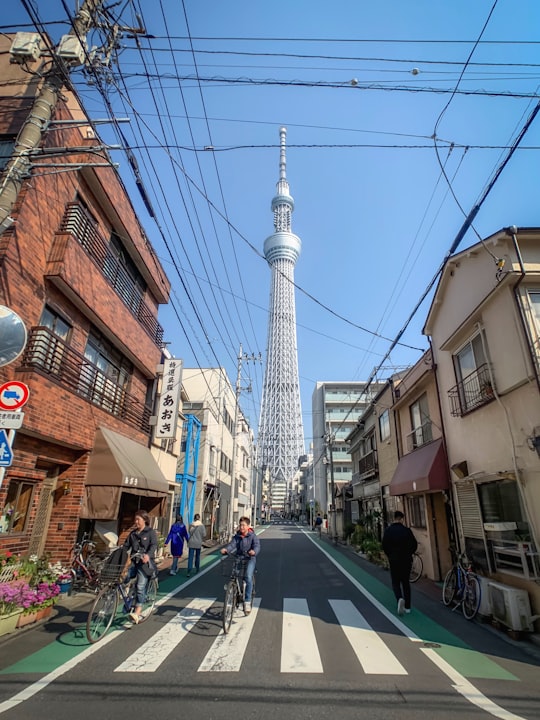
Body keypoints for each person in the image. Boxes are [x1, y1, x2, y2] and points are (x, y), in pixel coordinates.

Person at [123, 510, 158, 624]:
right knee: (125, 579)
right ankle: (129, 600)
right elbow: (126, 546)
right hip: (134, 562)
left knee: (140, 586)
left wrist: (148, 555)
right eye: (135, 519)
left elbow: (154, 545)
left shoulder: (150, 532)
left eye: (138, 519)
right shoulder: (133, 534)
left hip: (145, 565)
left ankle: (137, 612)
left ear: (145, 520)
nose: (136, 521)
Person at [220, 516, 260, 614]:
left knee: (248, 577)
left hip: (250, 558)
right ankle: (234, 595)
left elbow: (257, 546)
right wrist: (226, 549)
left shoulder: (252, 536)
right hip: (239, 557)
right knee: (234, 575)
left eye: (243, 525)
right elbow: (232, 545)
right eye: (240, 525)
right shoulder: (237, 536)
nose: (241, 527)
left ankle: (247, 601)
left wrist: (253, 551)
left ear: (248, 526)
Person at [382, 510, 418, 616]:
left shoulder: (388, 531)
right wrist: (409, 553)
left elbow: (384, 545)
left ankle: (399, 599)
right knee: (406, 583)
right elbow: (414, 545)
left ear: (394, 518)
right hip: (406, 560)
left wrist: (390, 555)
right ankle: (407, 607)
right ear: (402, 519)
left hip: (394, 560)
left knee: (395, 582)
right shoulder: (407, 531)